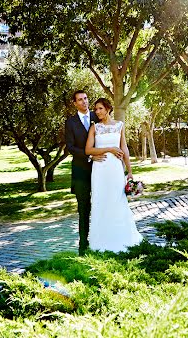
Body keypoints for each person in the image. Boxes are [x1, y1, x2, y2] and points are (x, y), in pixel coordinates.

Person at [85, 98, 143, 252]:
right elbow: (88, 150)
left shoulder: (119, 125)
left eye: (100, 109)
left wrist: (129, 171)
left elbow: (124, 148)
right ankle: (100, 243)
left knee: (118, 201)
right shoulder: (94, 128)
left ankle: (123, 239)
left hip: (116, 170)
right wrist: (110, 149)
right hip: (100, 171)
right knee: (101, 202)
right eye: (96, 109)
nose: (97, 112)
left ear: (108, 109)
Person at [64, 90, 104, 254]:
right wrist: (90, 156)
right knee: (83, 209)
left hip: (101, 170)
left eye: (86, 98)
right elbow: (70, 147)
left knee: (102, 205)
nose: (84, 102)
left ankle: (102, 240)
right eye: (80, 100)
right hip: (81, 172)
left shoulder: (98, 116)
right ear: (75, 103)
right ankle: (83, 245)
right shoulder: (71, 122)